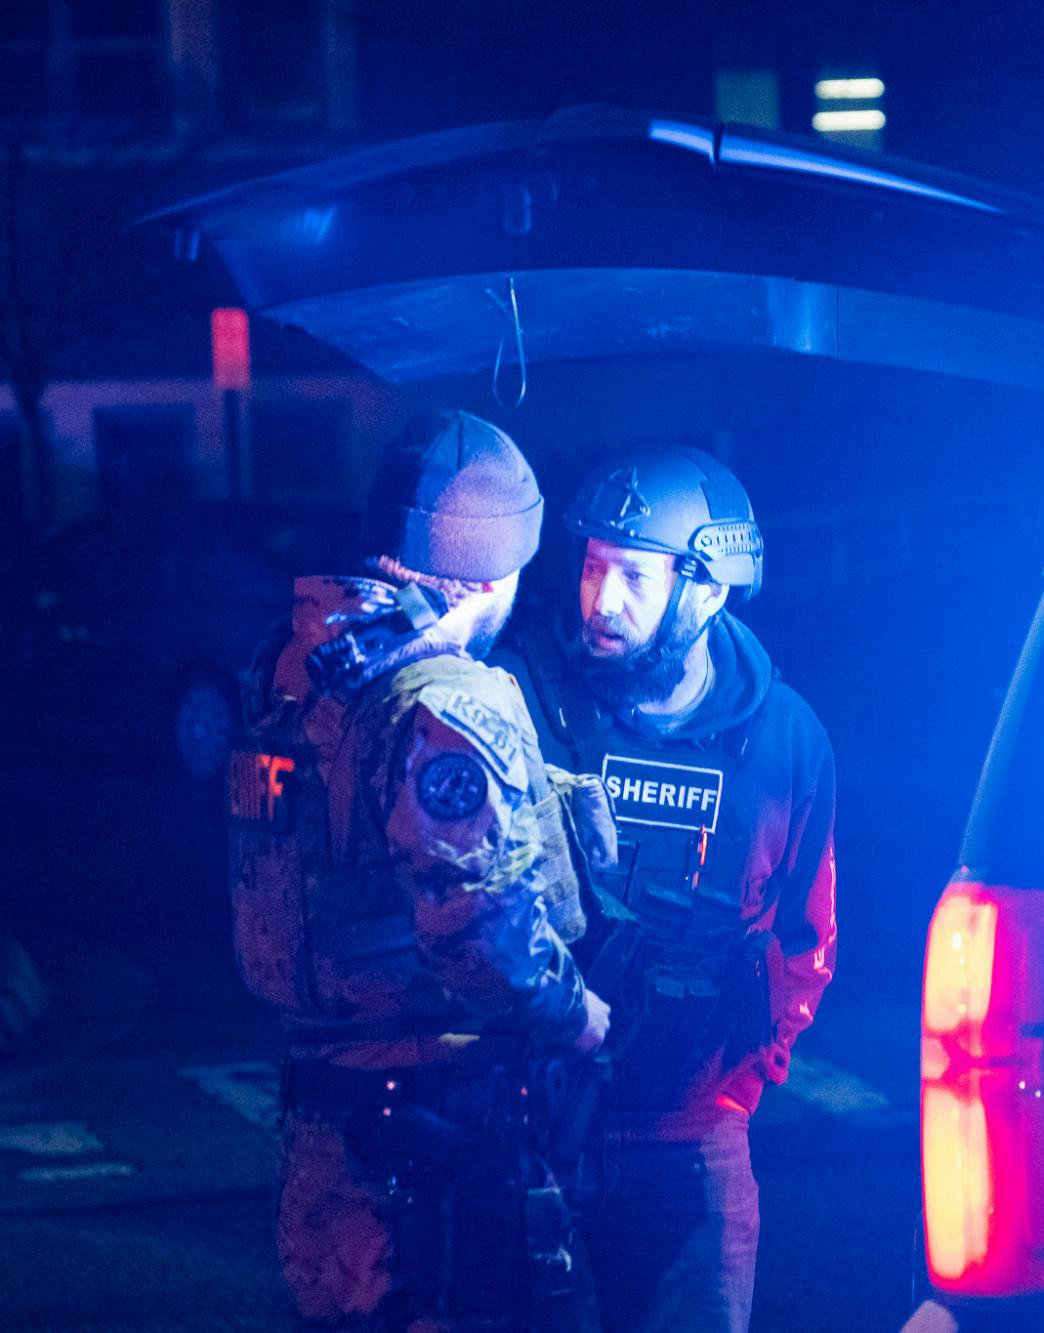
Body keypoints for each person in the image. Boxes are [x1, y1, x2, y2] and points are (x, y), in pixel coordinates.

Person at [228, 409, 612, 1330]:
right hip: (434, 1145)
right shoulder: (443, 703)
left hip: (322, 1128)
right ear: (493, 566)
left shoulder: (293, 665)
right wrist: (579, 1015)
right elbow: (476, 924)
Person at [499, 448, 837, 1333]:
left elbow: (808, 938)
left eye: (633, 576)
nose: (601, 601)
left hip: (692, 1142)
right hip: (531, 1133)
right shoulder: (522, 696)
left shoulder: (786, 741)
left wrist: (742, 1075)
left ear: (708, 588)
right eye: (592, 567)